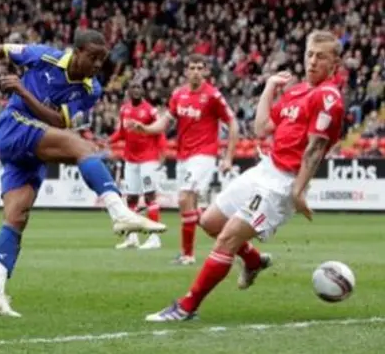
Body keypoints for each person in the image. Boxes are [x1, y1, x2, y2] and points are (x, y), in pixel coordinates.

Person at [0, 29, 166, 317]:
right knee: (83, 148)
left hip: (32, 144)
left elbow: (58, 120)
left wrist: (22, 90)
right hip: (14, 124)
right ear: (77, 52)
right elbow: (1, 48)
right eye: (93, 57)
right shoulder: (43, 55)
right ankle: (118, 211)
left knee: (16, 218)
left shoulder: (91, 89)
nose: (98, 65)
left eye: (102, 59)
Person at [145, 30, 345, 321]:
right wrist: (269, 88)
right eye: (309, 54)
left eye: (321, 57)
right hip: (266, 168)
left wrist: (298, 192)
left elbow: (315, 148)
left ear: (335, 62)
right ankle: (252, 260)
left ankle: (187, 307)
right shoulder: (298, 91)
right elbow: (261, 128)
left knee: (226, 238)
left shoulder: (329, 98)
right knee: (210, 221)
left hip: (284, 183)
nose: (312, 61)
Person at [128, 54, 239, 265]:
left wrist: (229, 157)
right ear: (186, 71)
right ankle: (231, 235)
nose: (196, 71)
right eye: (192, 68)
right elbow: (164, 123)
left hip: (204, 155)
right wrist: (144, 128)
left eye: (200, 67)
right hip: (183, 157)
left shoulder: (213, 96)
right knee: (191, 209)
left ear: (206, 71)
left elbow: (232, 123)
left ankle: (188, 255)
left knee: (183, 198)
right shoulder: (179, 95)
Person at [108, 81, 167, 250]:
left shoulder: (150, 110)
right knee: (131, 198)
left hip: (148, 159)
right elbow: (121, 132)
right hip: (131, 160)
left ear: (143, 91)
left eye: (138, 87)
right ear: (128, 91)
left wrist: (163, 154)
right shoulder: (124, 109)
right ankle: (132, 238)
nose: (136, 90)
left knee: (149, 196)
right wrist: (108, 141)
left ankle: (155, 238)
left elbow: (159, 132)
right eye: (133, 87)